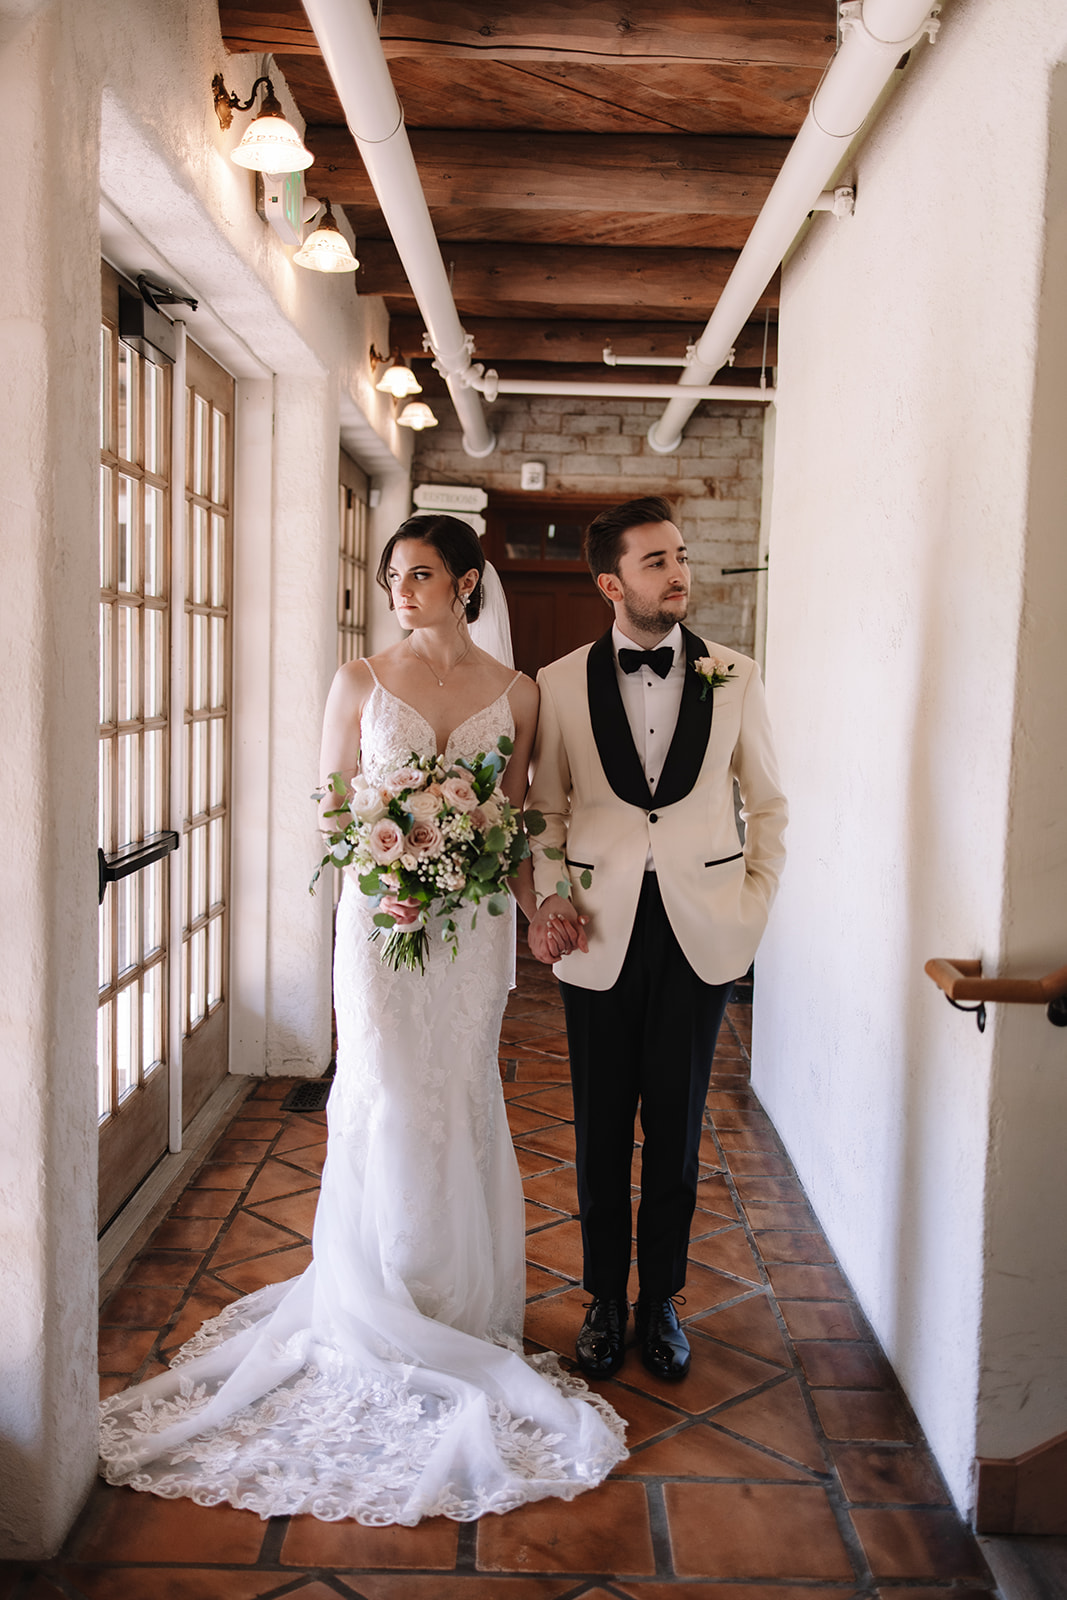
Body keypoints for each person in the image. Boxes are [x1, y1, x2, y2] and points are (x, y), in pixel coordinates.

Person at [99, 513, 625, 1523]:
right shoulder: (356, 682)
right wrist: (391, 855)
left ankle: (455, 1306)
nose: (399, 590)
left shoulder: (516, 697)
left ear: (466, 583)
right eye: (392, 575)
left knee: (454, 1095)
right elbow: (333, 813)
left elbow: (513, 830)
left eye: (419, 574)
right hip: (378, 927)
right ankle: (373, 1294)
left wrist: (537, 911)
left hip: (467, 936)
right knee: (382, 1093)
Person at [525, 497, 787, 1385]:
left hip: (698, 930)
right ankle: (603, 1297)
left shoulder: (734, 675)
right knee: (600, 1127)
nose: (677, 572)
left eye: (679, 555)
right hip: (597, 933)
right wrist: (552, 897)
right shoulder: (558, 682)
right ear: (610, 582)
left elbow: (770, 802)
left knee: (674, 1129)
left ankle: (663, 1300)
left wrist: (750, 903)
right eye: (654, 561)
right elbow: (543, 811)